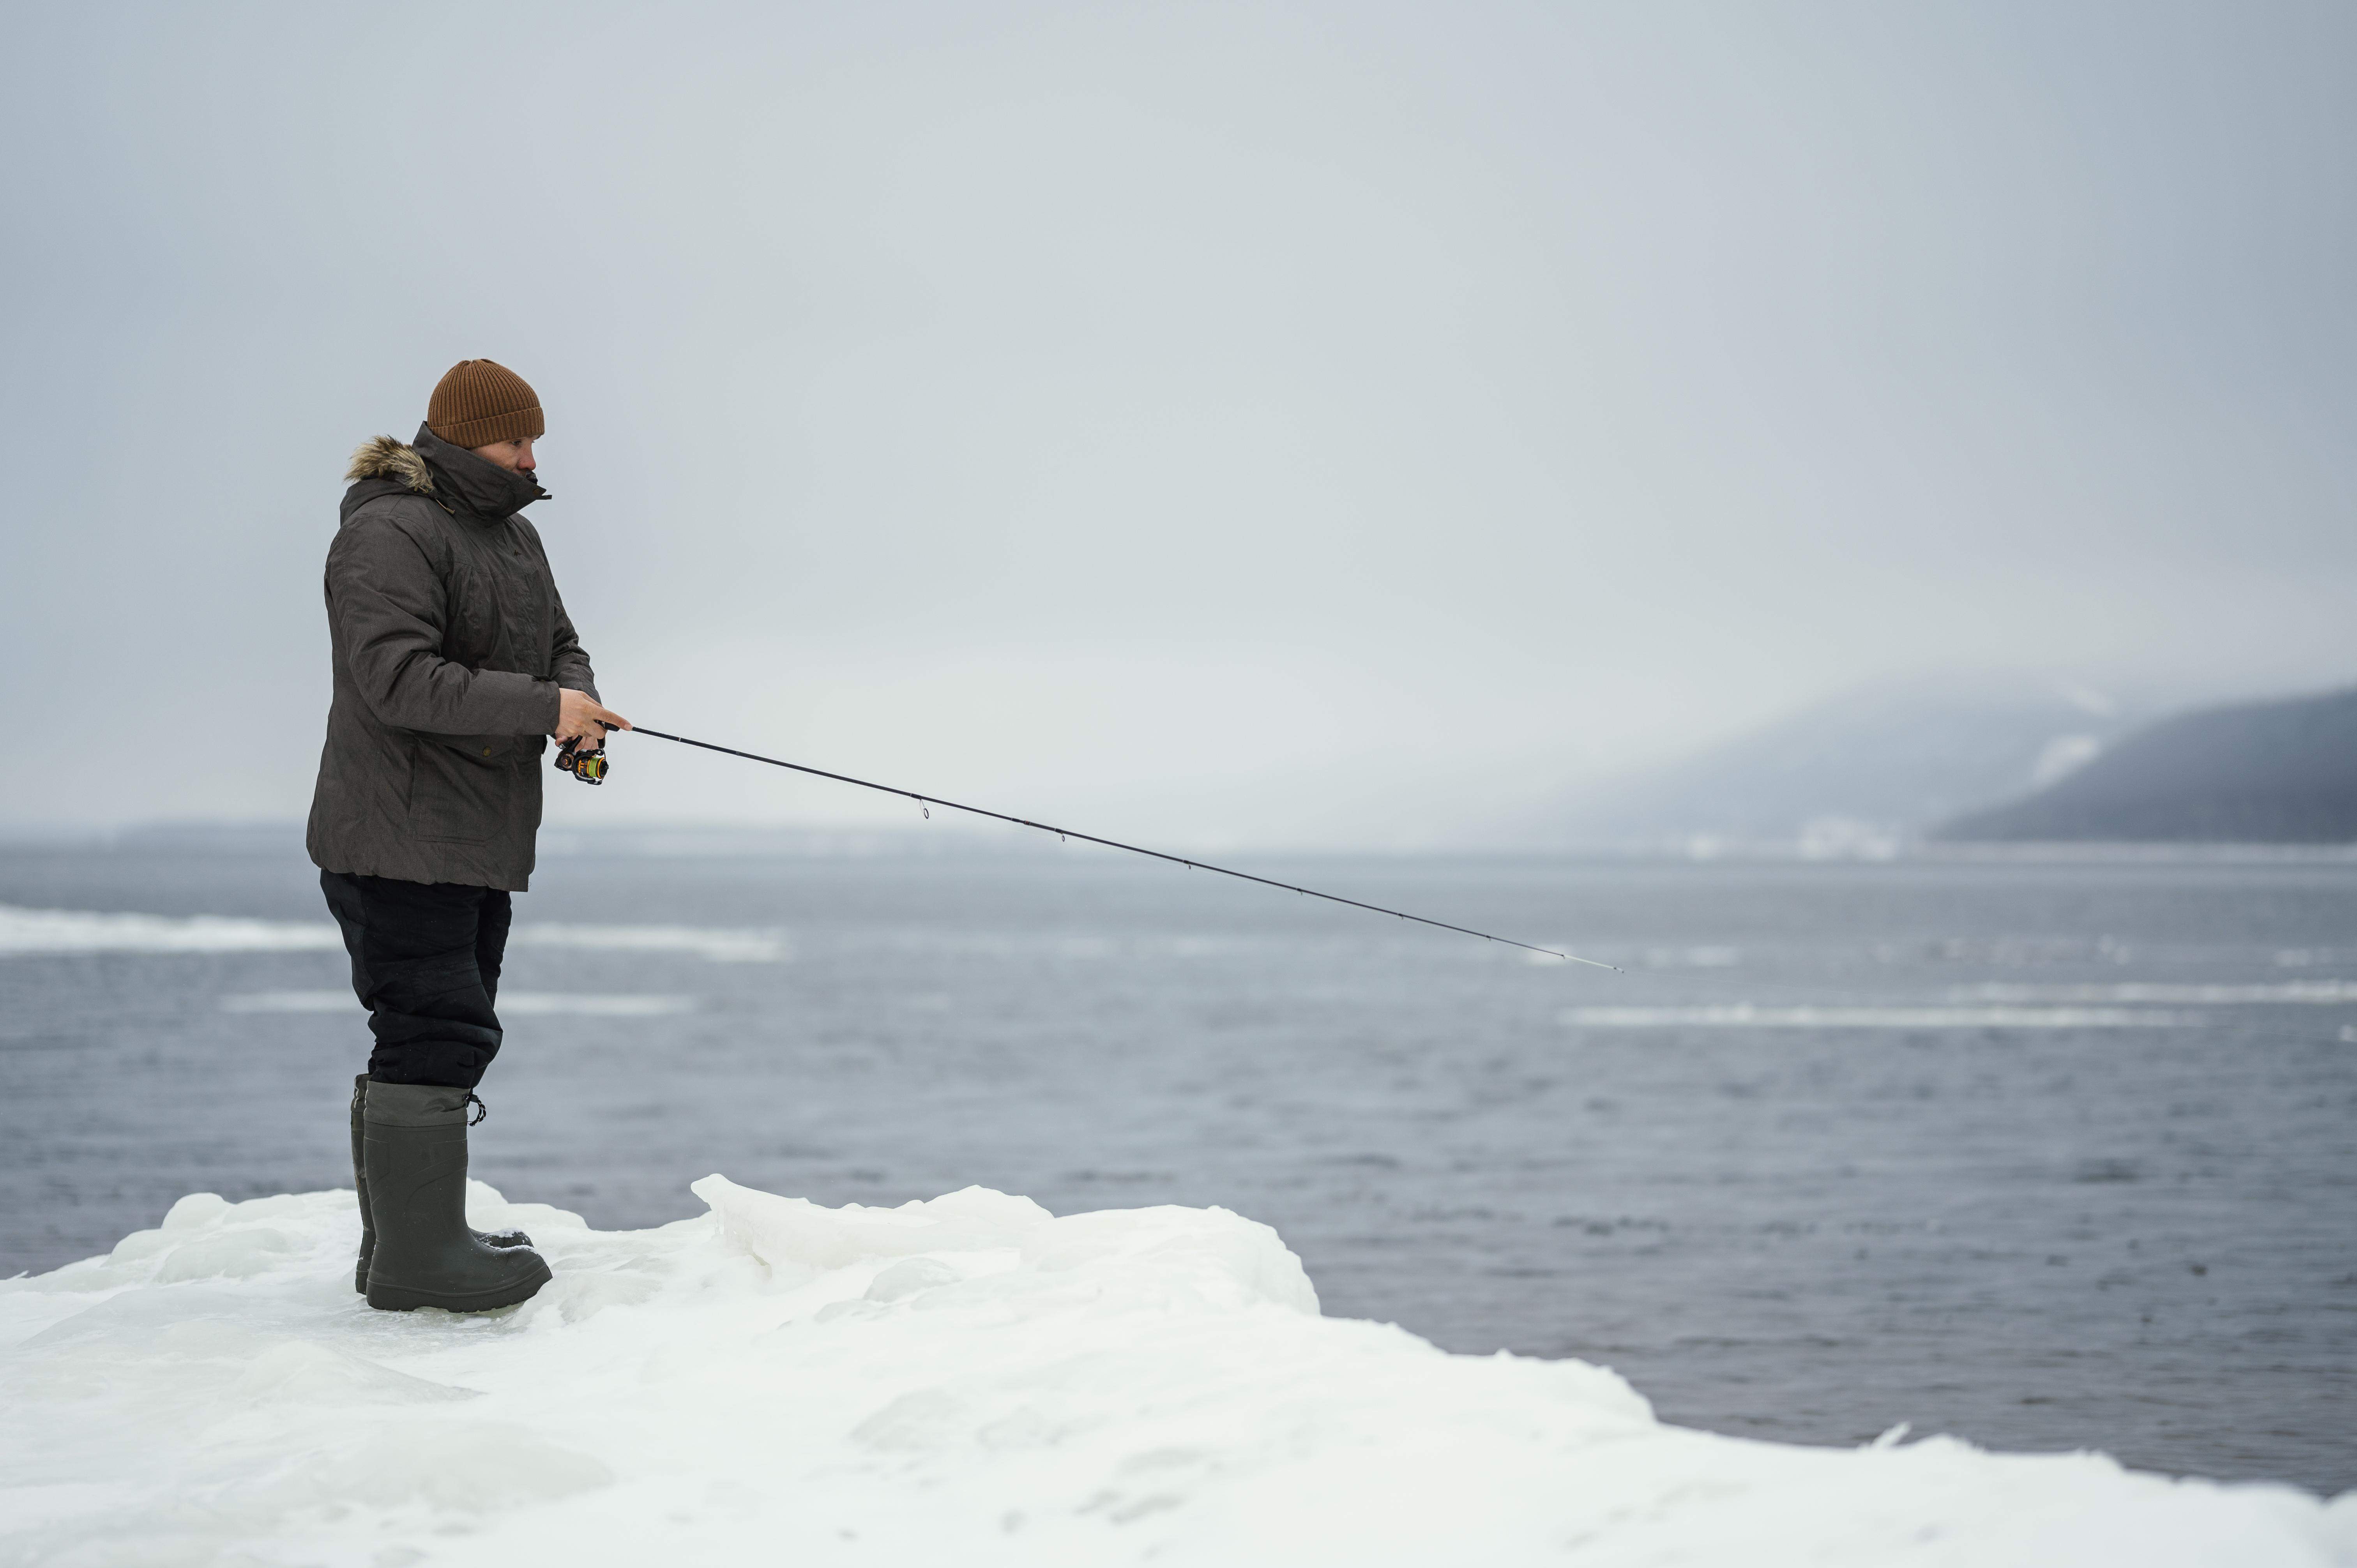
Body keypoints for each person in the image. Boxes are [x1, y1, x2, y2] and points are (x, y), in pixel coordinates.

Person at [307, 358, 629, 1312]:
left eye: (534, 441)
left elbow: (562, 641)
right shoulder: (389, 533)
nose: (531, 458)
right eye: (514, 441)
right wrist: (544, 704)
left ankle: (405, 1240)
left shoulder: (514, 535)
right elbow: (397, 680)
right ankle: (418, 1260)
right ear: (457, 438)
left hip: (473, 835)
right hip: (396, 836)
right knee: (438, 1027)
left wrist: (573, 700)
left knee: (441, 1026)